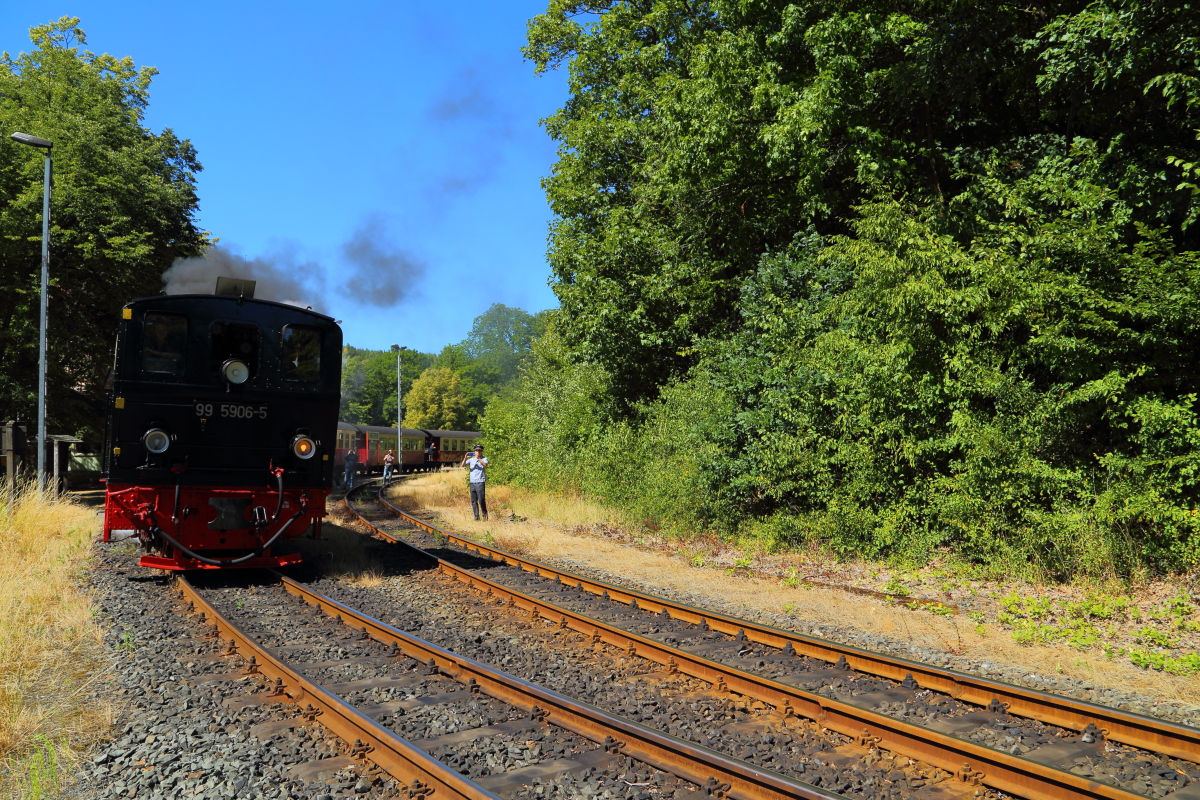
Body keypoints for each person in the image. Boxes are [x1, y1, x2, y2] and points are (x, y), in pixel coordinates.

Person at [461, 444, 488, 521]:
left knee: (481, 500)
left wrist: (479, 459)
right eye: (476, 450)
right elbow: (463, 465)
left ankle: (484, 515)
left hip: (480, 482)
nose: (478, 452)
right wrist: (465, 458)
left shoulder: (484, 459)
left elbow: (485, 465)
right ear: (474, 451)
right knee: (473, 501)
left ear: (481, 451)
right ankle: (476, 516)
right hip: (472, 482)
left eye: (479, 450)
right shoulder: (471, 460)